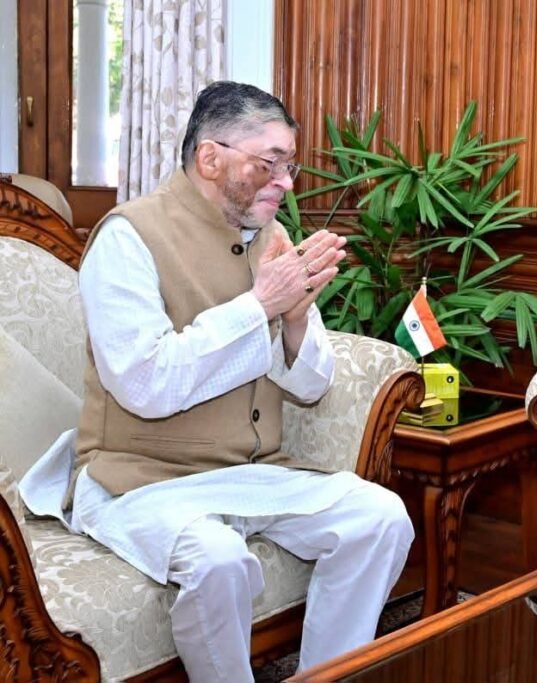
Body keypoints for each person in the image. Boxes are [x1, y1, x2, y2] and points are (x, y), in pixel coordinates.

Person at [21, 81, 414, 681]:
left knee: (380, 517)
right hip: (138, 478)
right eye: (270, 164)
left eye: (289, 165)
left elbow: (311, 387)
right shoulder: (128, 237)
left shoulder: (270, 238)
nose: (286, 183)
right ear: (211, 158)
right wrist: (259, 306)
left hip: (247, 471)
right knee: (218, 561)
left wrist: (295, 318)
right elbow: (145, 384)